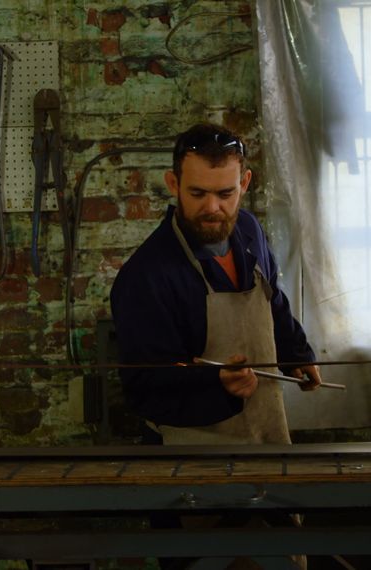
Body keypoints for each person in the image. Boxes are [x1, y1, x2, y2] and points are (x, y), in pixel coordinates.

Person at [110, 123, 322, 445]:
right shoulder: (146, 277)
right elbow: (144, 389)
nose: (212, 208)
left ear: (245, 183)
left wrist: (296, 353)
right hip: (192, 453)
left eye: (226, 194)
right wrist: (217, 388)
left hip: (266, 431)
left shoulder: (249, 231)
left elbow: (271, 301)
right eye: (197, 194)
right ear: (173, 183)